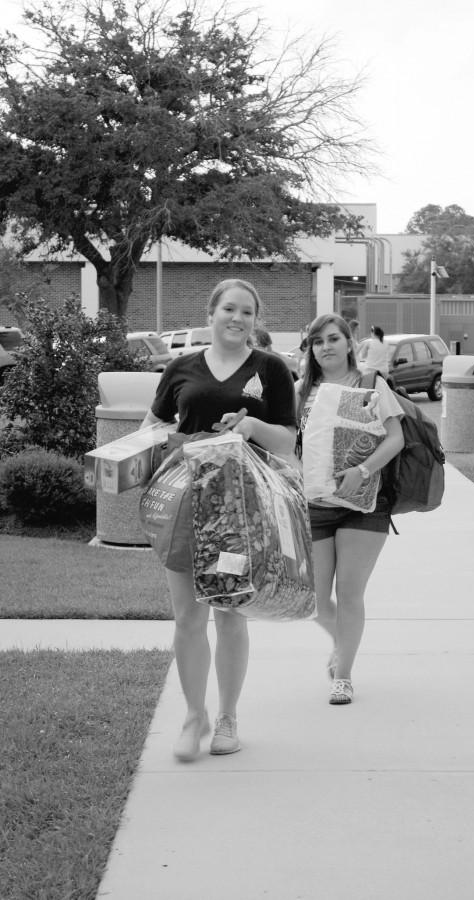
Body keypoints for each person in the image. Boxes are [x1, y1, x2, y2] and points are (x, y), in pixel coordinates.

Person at [140, 279, 296, 762]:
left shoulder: (271, 368)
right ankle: (193, 716)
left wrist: (250, 425)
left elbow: (288, 441)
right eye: (229, 308)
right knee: (188, 617)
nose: (238, 318)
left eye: (247, 312)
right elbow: (153, 425)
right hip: (187, 504)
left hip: (241, 509)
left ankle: (227, 717)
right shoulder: (181, 367)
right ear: (212, 312)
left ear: (255, 319)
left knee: (229, 613)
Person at [295, 314, 404, 705]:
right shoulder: (299, 391)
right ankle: (342, 645)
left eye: (333, 338)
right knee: (316, 601)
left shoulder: (371, 383)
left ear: (348, 342)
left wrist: (362, 470)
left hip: (365, 504)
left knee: (350, 593)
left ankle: (343, 676)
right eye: (317, 341)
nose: (326, 347)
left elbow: (396, 438)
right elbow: (292, 448)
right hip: (316, 504)